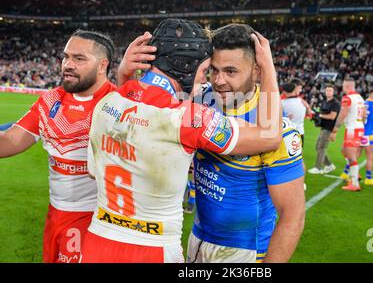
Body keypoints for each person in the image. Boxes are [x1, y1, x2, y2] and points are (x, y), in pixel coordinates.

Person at [81, 18, 283, 263]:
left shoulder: (105, 102)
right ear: (184, 66)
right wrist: (268, 68)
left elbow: (98, 168)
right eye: (204, 70)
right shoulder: (188, 118)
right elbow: (270, 135)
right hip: (152, 250)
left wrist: (124, 73)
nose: (205, 81)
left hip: (96, 242)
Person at [187, 24, 305, 263]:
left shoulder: (278, 131)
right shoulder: (200, 99)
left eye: (231, 71)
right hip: (197, 239)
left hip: (245, 252)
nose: (219, 81)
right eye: (215, 70)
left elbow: (293, 215)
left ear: (256, 70)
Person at [0, 30, 117, 263]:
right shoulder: (51, 100)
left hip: (95, 218)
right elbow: (10, 140)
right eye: (66, 57)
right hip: (56, 214)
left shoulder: (118, 104)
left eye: (79, 58)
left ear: (102, 65)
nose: (68, 65)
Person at [329, 78, 367, 191]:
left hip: (352, 129)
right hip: (359, 127)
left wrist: (335, 129)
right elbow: (364, 114)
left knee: (351, 156)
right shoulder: (359, 97)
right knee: (344, 150)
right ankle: (356, 173)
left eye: (344, 86)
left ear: (347, 86)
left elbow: (343, 114)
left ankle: (354, 183)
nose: (342, 88)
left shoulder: (347, 98)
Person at [308, 85, 340, 174]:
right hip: (323, 127)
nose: (328, 92)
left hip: (329, 128)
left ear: (334, 92)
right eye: (327, 90)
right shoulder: (324, 102)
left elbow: (332, 116)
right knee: (318, 147)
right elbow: (321, 113)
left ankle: (318, 168)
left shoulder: (335, 103)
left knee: (321, 147)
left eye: (330, 90)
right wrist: (316, 116)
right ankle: (329, 165)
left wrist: (320, 115)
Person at [281, 80, 311, 147]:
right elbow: (309, 113)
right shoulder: (302, 102)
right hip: (300, 133)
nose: (300, 90)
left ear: (284, 91)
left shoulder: (281, 102)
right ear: (294, 88)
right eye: (300, 88)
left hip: (287, 133)